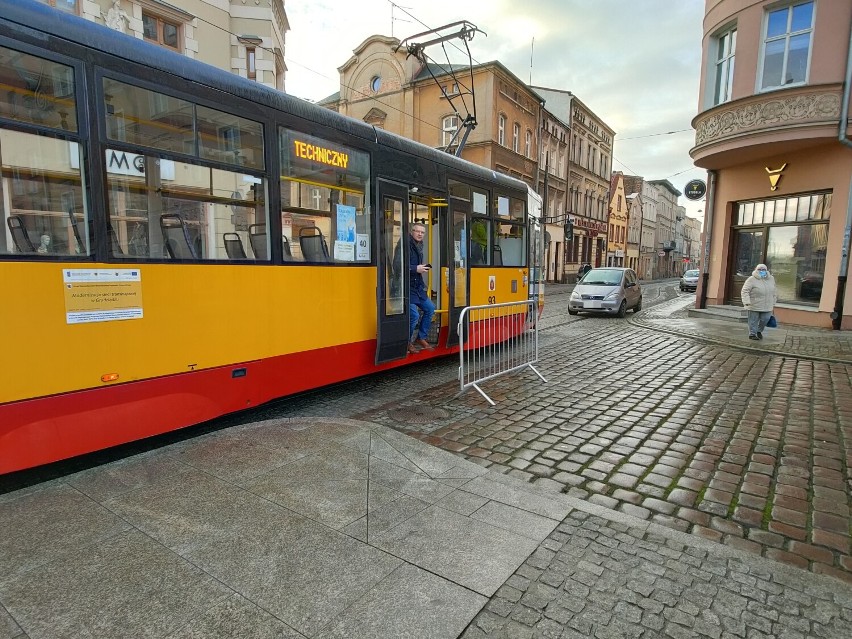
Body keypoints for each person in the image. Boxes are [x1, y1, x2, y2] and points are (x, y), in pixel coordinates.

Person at [407, 223, 435, 354]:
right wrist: (415, 268)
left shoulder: (419, 246)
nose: (420, 234)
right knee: (414, 315)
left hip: (418, 288)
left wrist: (421, 268)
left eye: (422, 232)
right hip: (407, 288)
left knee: (430, 308)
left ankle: (421, 337)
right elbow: (397, 266)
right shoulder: (405, 245)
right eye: (417, 231)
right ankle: (407, 342)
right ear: (412, 232)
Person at [741, 263, 777, 340]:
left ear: (766, 270)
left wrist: (774, 301)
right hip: (754, 304)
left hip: (767, 304)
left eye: (763, 269)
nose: (761, 271)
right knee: (753, 320)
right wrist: (746, 302)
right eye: (759, 269)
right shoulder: (751, 279)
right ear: (756, 270)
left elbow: (774, 291)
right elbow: (745, 291)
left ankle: (759, 331)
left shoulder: (771, 279)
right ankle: (752, 334)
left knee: (765, 319)